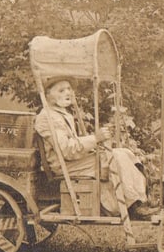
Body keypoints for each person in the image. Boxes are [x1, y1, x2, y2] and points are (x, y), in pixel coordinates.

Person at [34, 77, 157, 220]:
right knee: (116, 157)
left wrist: (95, 142)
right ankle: (133, 204)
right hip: (64, 165)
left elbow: (71, 143)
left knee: (125, 153)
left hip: (72, 160)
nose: (68, 93)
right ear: (48, 94)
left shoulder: (61, 114)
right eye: (61, 90)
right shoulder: (48, 118)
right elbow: (66, 150)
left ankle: (139, 200)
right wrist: (95, 138)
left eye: (69, 89)